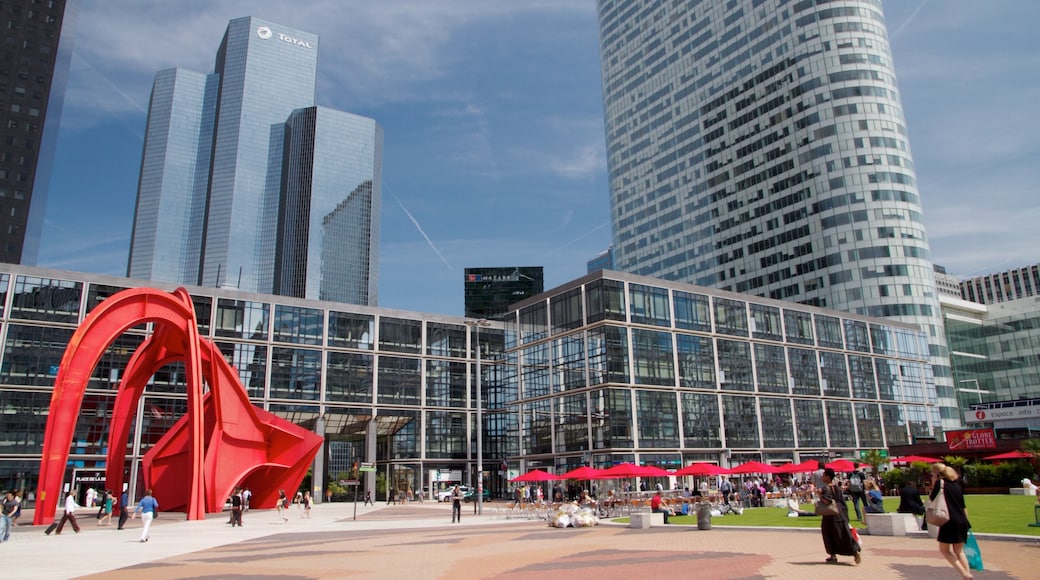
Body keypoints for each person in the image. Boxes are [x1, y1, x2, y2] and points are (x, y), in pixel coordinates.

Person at [930, 462, 972, 580]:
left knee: (944, 550)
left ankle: (965, 574)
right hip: (962, 520)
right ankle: (967, 575)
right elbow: (963, 506)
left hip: (948, 521)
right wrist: (966, 522)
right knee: (959, 551)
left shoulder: (940, 483)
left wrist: (934, 484)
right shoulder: (956, 485)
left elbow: (932, 498)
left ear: (937, 474)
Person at [816, 468, 861, 565]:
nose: (822, 477)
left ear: (828, 477)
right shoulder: (837, 488)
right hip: (840, 514)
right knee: (843, 535)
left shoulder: (825, 489)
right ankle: (853, 551)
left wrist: (820, 494)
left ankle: (833, 555)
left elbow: (827, 501)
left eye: (824, 475)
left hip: (830, 516)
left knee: (829, 535)